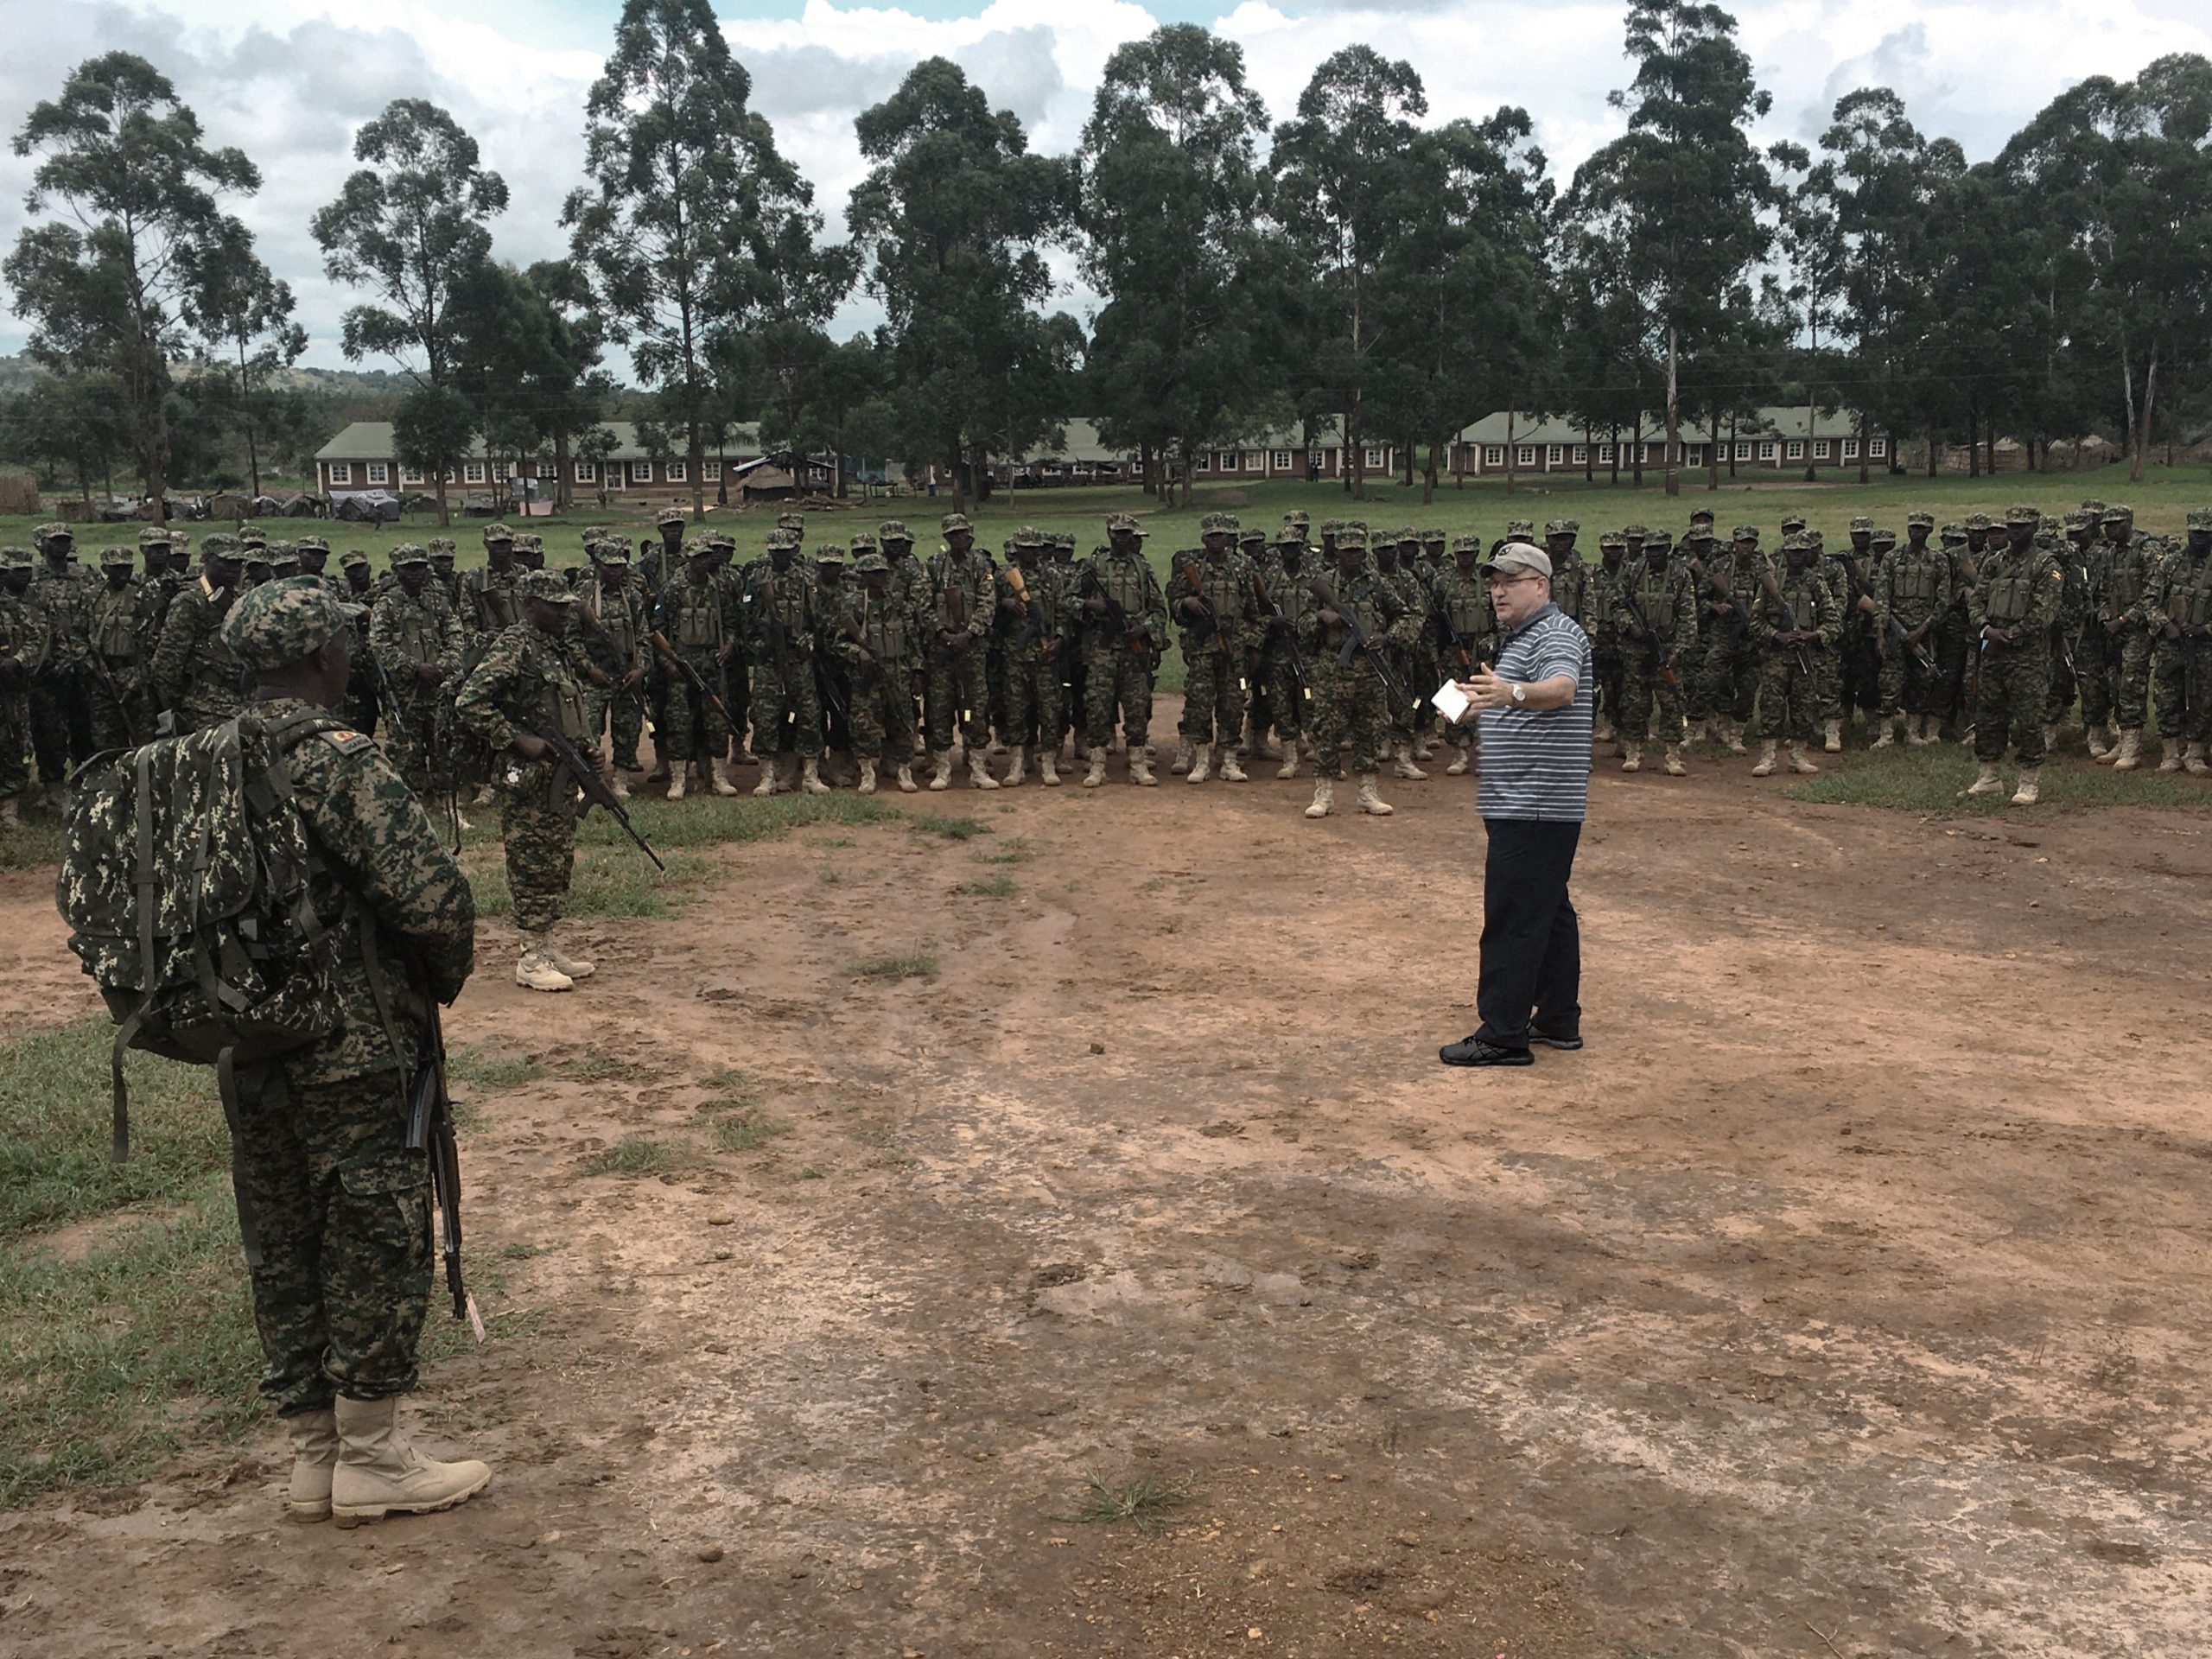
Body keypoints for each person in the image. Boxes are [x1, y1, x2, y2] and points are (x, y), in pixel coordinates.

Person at [213, 576, 486, 1528]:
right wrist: (433, 982)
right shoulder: (337, 759)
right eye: (343, 642)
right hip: (353, 1043)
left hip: (246, 1042)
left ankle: (313, 1458)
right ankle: (370, 1458)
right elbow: (434, 902)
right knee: (372, 1232)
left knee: (283, 1233)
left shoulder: (200, 758)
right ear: (322, 656)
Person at [1440, 543, 1592, 1067]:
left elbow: (1562, 688)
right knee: (1549, 912)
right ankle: (1558, 1018)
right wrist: (1470, 704)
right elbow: (1510, 698)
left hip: (1535, 803)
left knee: (1512, 917)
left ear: (1542, 586)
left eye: (1511, 581)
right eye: (1494, 582)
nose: (1498, 591)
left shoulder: (1556, 634)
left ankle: (1502, 1034)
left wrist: (1511, 694)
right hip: (1528, 801)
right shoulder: (1523, 639)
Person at [454, 570, 599, 990]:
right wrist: (517, 739)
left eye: (567, 606)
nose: (565, 613)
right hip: (528, 779)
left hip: (560, 774)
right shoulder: (514, 645)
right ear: (530, 605)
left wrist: (589, 747)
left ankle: (546, 944)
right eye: (555, 606)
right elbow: (470, 701)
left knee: (556, 861)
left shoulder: (554, 648)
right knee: (531, 864)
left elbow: (567, 704)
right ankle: (530, 958)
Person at [1965, 505, 2060, 804]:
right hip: (1993, 652)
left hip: (2027, 657)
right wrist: (1986, 629)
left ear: (2035, 528)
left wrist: (2009, 635)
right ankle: (1989, 776)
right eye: (2012, 526)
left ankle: (2029, 780)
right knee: (1989, 716)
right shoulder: (1994, 562)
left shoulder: (2045, 565)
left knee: (2029, 719)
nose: (2016, 532)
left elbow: (2045, 613)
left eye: (2022, 526)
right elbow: (1976, 602)